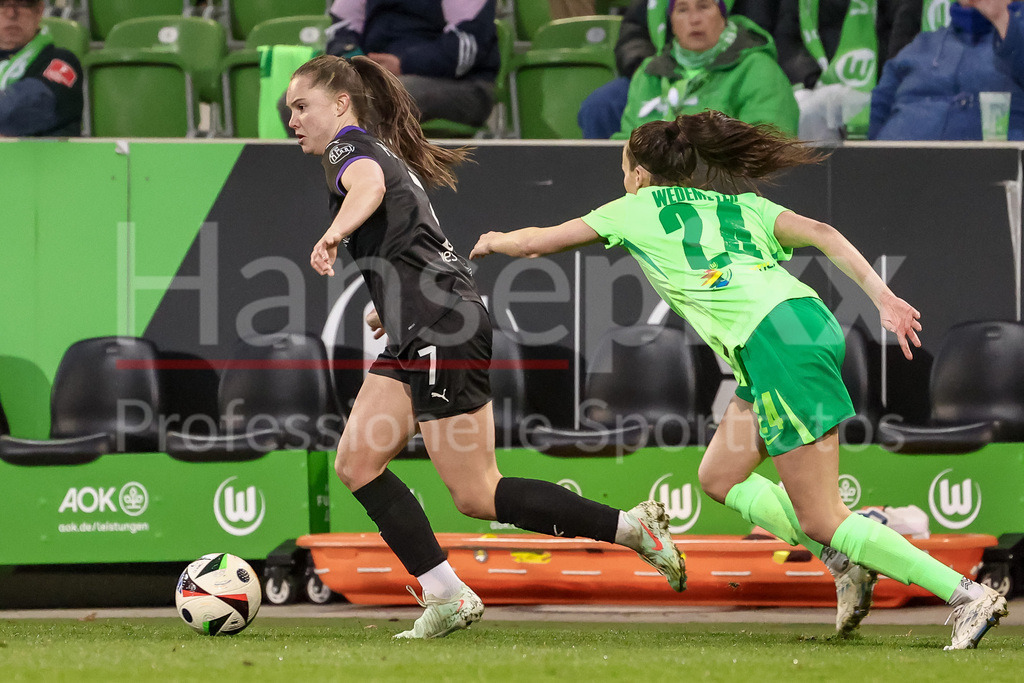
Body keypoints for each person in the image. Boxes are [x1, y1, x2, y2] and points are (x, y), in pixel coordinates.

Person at [470, 110, 1009, 649]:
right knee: (720, 476)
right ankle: (844, 561)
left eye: (624, 168)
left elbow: (537, 243)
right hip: (800, 323)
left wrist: (493, 239)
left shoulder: (633, 209)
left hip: (773, 340)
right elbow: (821, 233)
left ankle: (966, 593)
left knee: (822, 515)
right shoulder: (739, 205)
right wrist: (883, 298)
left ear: (637, 174)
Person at [285, 54, 685, 639]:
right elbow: (419, 239)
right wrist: (393, 298)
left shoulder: (349, 151)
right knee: (357, 462)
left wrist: (332, 234)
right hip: (426, 322)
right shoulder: (378, 149)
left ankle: (631, 529)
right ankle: (445, 594)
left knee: (476, 492)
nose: (293, 119)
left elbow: (367, 190)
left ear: (340, 104)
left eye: (302, 106)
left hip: (438, 327)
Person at [579, 0, 785, 139]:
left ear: (723, 15)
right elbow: (627, 146)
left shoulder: (758, 69)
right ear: (671, 22)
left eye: (704, 6)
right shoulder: (649, 73)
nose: (694, 19)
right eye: (682, 10)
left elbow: (767, 147)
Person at [323, 0, 499, 128]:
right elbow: (341, 32)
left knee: (381, 97)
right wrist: (358, 63)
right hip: (378, 77)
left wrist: (404, 65)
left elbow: (466, 47)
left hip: (463, 86)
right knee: (311, 103)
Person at [870, 0, 1024, 140]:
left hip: (990, 166)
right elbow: (872, 112)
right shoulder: (920, 45)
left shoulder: (1015, 42)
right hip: (890, 164)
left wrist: (1003, 18)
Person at [773, 0, 899, 140]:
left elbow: (899, 41)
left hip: (875, 88)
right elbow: (787, 41)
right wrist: (812, 80)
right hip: (813, 87)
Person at [0, 0, 82, 137]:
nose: (11, 13)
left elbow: (26, 106)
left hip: (44, 158)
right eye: (2, 4)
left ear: (39, 11)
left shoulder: (62, 61)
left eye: (22, 4)